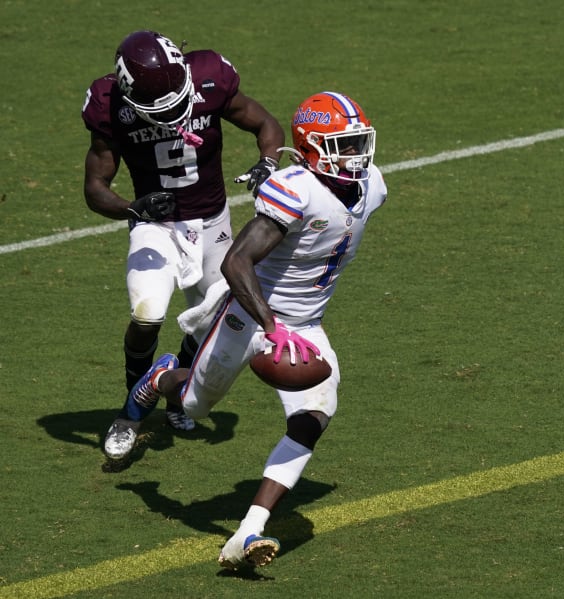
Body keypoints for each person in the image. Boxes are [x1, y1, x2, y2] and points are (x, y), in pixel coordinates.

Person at [111, 91, 386, 569]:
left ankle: (248, 530)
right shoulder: (296, 188)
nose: (357, 155)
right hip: (249, 314)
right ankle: (159, 378)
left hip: (305, 324)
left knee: (317, 411)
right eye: (344, 145)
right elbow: (237, 261)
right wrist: (270, 324)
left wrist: (287, 328)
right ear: (314, 147)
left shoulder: (374, 186)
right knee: (194, 402)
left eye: (359, 142)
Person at [81, 30, 285, 456]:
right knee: (148, 313)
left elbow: (265, 123)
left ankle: (177, 386)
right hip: (156, 226)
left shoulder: (208, 77)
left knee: (215, 320)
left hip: (213, 221)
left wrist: (268, 163)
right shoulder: (110, 104)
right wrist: (133, 210)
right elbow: (95, 186)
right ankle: (132, 408)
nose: (174, 110)